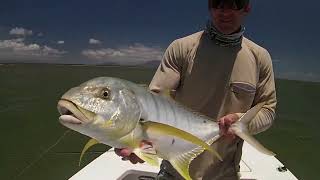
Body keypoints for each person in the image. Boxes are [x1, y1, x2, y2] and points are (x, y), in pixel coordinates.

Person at [115, 0, 277, 179]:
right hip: (174, 172)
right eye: (218, 4)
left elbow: (267, 110)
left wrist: (239, 122)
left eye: (234, 4)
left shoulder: (260, 58)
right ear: (209, 7)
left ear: (246, 8)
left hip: (225, 174)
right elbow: (154, 101)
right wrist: (130, 135)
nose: (225, 11)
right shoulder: (182, 48)